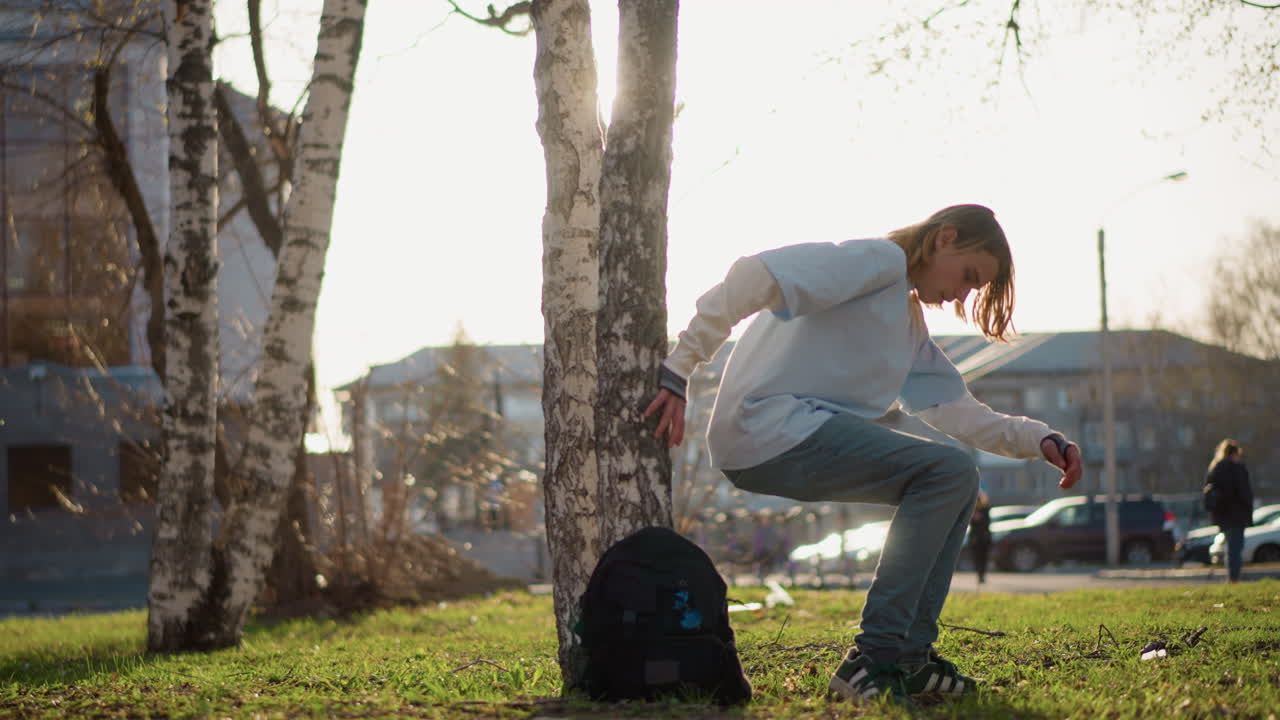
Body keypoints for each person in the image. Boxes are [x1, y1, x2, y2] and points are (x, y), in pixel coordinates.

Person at [643, 204, 1082, 704]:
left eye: (973, 289)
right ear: (944, 238)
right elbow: (754, 275)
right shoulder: (876, 263)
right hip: (764, 426)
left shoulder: (907, 323)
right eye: (967, 276)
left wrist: (1038, 439)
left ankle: (910, 660)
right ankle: (874, 658)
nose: (962, 296)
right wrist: (680, 367)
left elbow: (956, 409)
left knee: (957, 480)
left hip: (788, 436)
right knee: (947, 472)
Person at [1204, 439, 1253, 583]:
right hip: (1237, 514)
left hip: (1222, 515)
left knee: (1230, 547)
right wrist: (1247, 507)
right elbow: (1244, 492)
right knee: (1235, 548)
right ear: (1234, 453)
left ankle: (1232, 577)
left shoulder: (1215, 468)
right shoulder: (1237, 468)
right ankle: (1234, 578)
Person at [968, 491, 993, 584]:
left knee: (983, 557)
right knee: (977, 557)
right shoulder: (972, 509)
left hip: (984, 538)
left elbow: (987, 522)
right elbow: (970, 522)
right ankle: (979, 575)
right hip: (975, 538)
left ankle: (982, 575)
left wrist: (979, 518)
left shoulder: (985, 509)